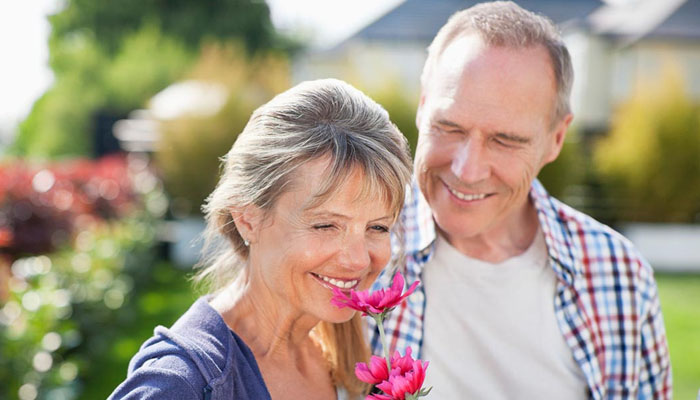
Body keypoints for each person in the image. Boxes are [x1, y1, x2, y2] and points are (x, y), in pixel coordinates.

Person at [368, 2, 672, 399]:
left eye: (505, 140)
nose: (467, 169)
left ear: (556, 139)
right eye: (450, 127)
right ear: (424, 109)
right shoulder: (352, 250)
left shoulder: (619, 275)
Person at [109, 79, 413, 400]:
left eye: (378, 227)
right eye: (326, 225)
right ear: (247, 219)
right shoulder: (178, 385)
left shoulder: (351, 354)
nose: (359, 260)